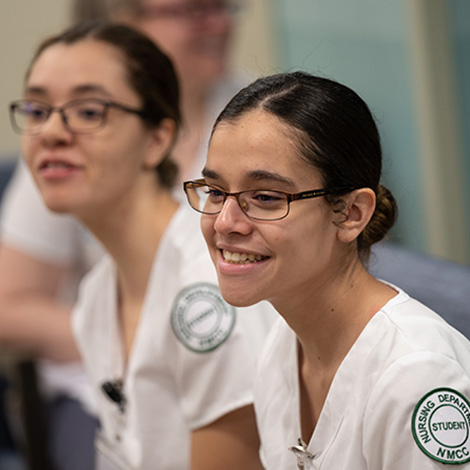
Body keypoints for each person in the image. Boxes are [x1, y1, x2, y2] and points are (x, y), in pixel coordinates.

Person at [11, 20, 274, 470]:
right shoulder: (99, 294)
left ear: (157, 140)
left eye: (89, 111)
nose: (51, 132)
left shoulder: (209, 293)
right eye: (37, 109)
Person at [184, 71, 470, 469]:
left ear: (350, 214)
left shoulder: (419, 376)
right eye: (215, 192)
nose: (225, 222)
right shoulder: (283, 348)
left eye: (265, 197)